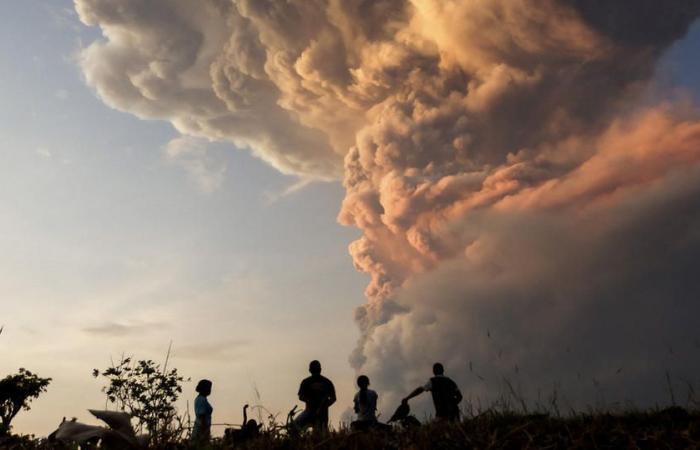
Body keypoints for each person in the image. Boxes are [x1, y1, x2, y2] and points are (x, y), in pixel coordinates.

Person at [293, 360, 336, 432]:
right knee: (321, 435)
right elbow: (333, 399)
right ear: (320, 369)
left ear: (310, 370)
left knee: (294, 428)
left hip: (311, 412)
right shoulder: (327, 382)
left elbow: (301, 396)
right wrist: (324, 405)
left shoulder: (306, 381)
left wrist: (322, 406)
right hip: (314, 413)